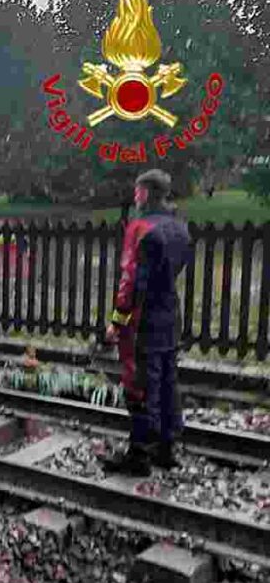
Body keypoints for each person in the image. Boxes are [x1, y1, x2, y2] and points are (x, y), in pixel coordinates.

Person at [103, 169, 193, 476]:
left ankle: (139, 455)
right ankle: (166, 449)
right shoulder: (180, 228)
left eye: (137, 192)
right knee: (167, 381)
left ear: (145, 194)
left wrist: (117, 322)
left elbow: (129, 282)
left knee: (139, 383)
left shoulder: (140, 228)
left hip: (143, 319)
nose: (134, 197)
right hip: (170, 314)